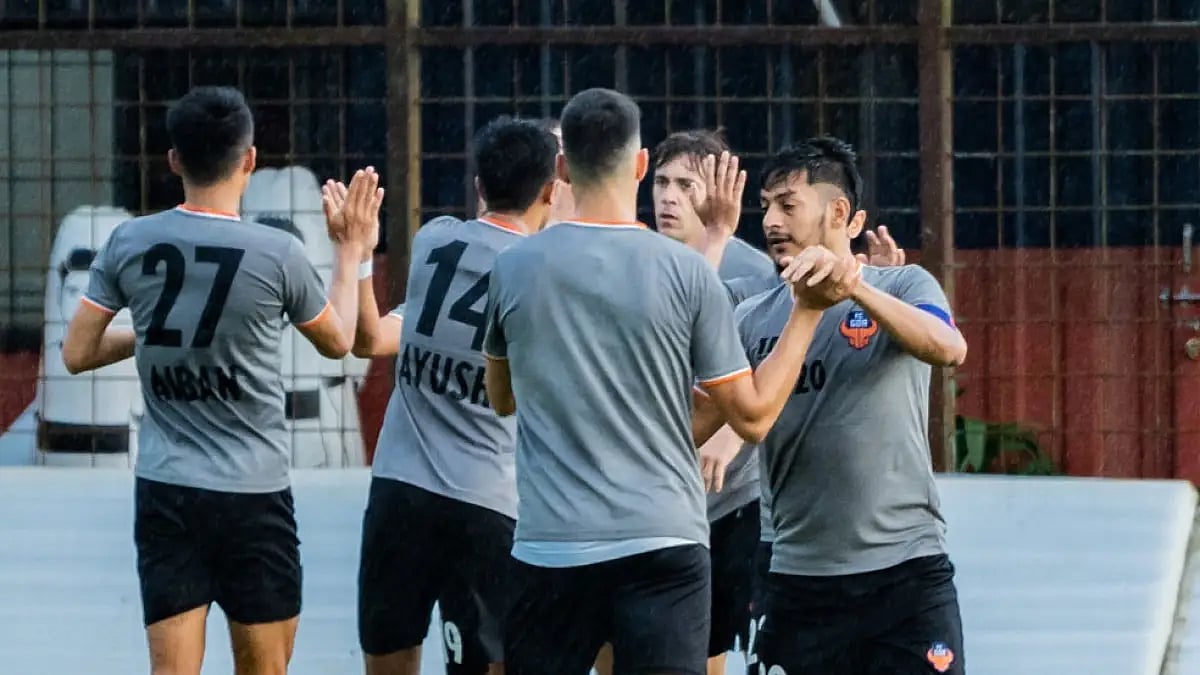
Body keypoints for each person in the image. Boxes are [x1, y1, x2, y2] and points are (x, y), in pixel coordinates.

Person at [480, 87, 857, 675]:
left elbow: (502, 398)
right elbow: (752, 415)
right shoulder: (687, 272)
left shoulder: (513, 268)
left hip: (552, 547)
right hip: (661, 547)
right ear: (638, 166)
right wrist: (807, 311)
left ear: (561, 168)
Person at [61, 85, 379, 675]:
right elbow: (339, 341)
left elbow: (76, 353)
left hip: (167, 491)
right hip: (253, 495)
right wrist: (349, 250)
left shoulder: (128, 241)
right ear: (250, 161)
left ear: (175, 160)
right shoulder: (277, 252)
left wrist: (155, 330)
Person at [702, 136, 968, 675]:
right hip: (797, 581)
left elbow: (948, 348)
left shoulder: (903, 283)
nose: (772, 221)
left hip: (906, 573)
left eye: (787, 205)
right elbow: (701, 418)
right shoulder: (751, 317)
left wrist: (856, 290)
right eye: (766, 207)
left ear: (840, 213)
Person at [345, 116, 559, 675]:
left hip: (399, 494)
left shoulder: (435, 239)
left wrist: (359, 253)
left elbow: (373, 338)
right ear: (550, 191)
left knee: (389, 656)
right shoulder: (546, 273)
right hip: (487, 502)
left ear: (478, 185)